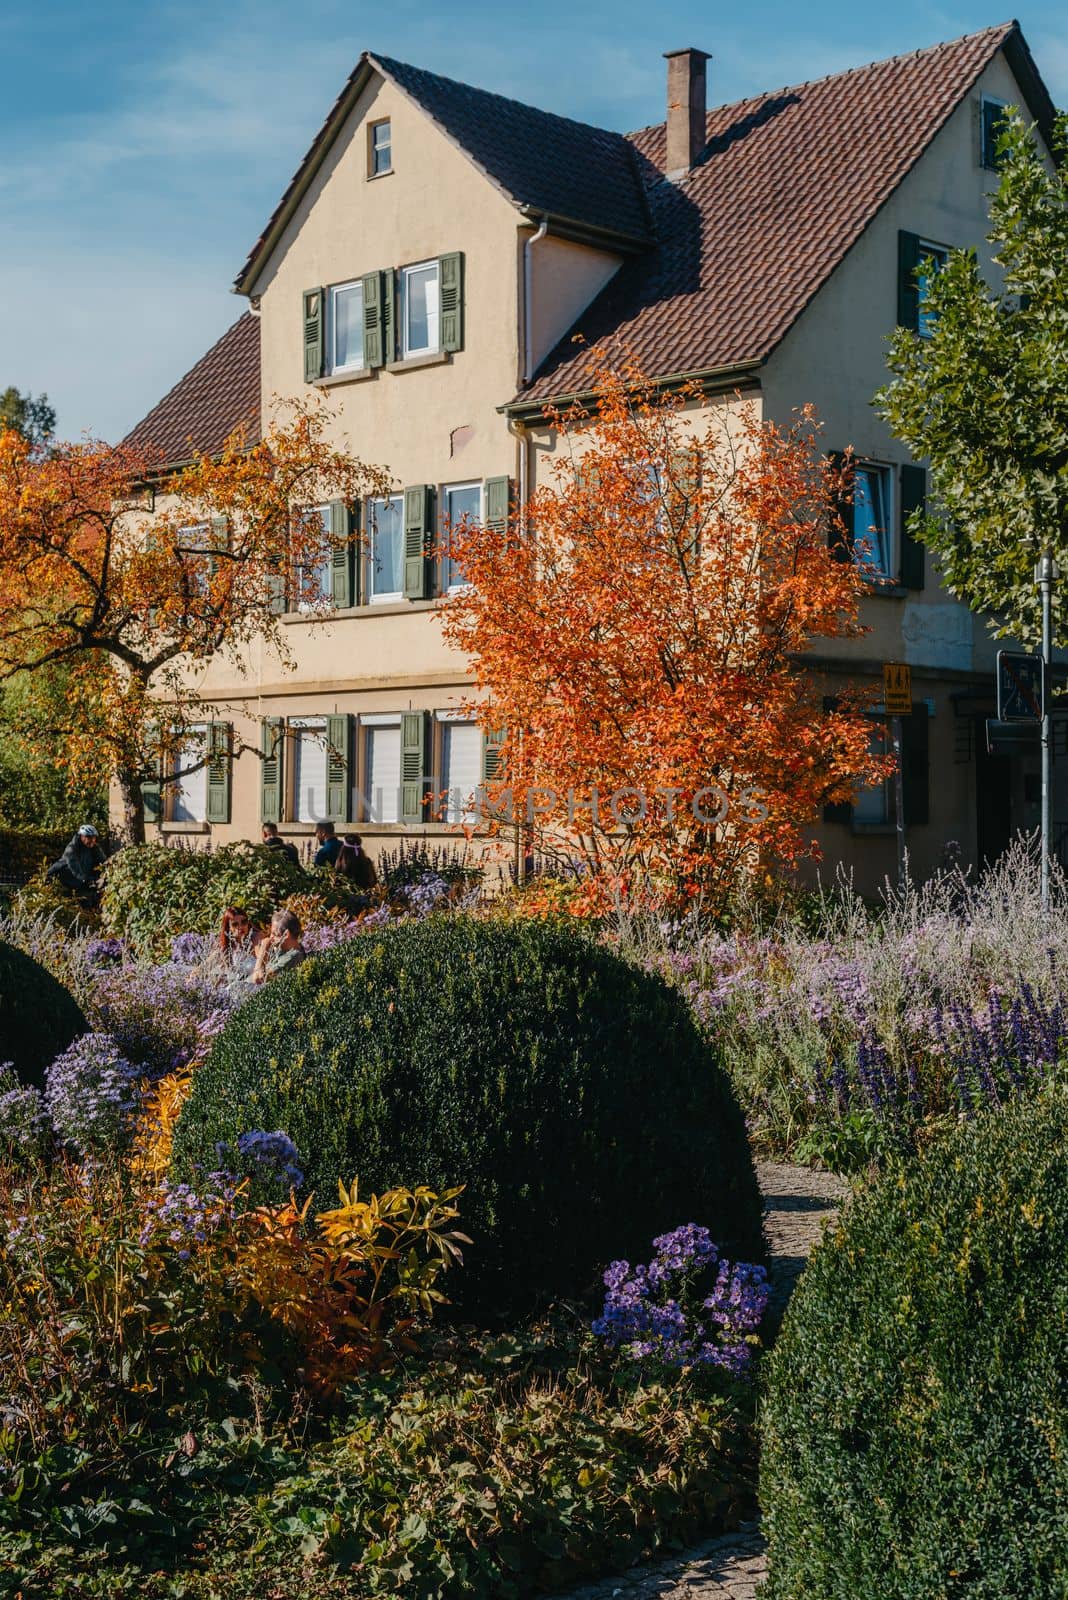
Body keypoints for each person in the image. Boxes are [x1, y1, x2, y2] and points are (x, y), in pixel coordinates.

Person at [46, 824, 107, 907]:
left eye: (94, 837)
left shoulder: (94, 847)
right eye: (89, 837)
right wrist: (90, 881)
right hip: (63, 878)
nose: (92, 840)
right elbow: (76, 870)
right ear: (81, 837)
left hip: (78, 880)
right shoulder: (72, 849)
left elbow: (104, 862)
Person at [251, 909, 307, 984]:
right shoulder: (283, 949)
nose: (271, 937)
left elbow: (258, 979)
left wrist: (264, 948)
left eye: (274, 934)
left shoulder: (293, 957)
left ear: (286, 934)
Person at [218, 905, 265, 975]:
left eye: (244, 921)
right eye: (235, 924)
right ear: (228, 928)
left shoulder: (256, 937)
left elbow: (261, 955)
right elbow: (206, 965)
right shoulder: (226, 947)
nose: (240, 927)